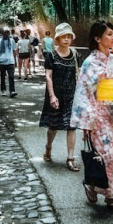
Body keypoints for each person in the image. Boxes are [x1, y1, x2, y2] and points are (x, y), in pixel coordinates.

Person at [71, 20, 113, 210]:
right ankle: (94, 186)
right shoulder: (90, 62)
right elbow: (84, 93)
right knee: (105, 155)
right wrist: (86, 123)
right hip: (98, 115)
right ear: (98, 38)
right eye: (109, 34)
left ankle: (112, 195)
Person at [40, 22, 80, 171]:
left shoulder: (75, 54)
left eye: (69, 36)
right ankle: (48, 147)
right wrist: (52, 96)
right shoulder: (51, 56)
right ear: (57, 39)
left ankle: (70, 158)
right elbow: (48, 77)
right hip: (56, 94)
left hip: (71, 95)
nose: (67, 39)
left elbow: (79, 74)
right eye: (63, 37)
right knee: (53, 126)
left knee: (72, 127)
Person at [0, 27, 18, 97]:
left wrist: (15, 60)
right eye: (5, 32)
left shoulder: (11, 41)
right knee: (2, 76)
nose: (7, 33)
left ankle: (12, 91)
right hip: (2, 61)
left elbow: (14, 50)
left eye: (8, 32)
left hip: (10, 61)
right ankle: (3, 90)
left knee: (11, 76)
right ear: (3, 33)